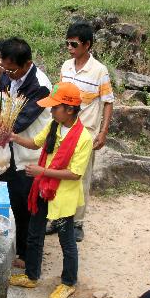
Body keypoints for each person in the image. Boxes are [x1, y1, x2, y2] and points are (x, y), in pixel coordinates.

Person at [7, 82, 93, 298]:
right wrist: (14, 138)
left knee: (66, 240)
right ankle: (32, 275)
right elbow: (36, 144)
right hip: (43, 190)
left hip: (63, 196)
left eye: (55, 107)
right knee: (34, 234)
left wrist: (41, 171)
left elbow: (75, 174)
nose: (51, 111)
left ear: (70, 110)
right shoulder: (54, 125)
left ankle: (68, 283)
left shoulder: (84, 138)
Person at [0, 38, 52, 269]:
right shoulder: (7, 73)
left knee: (29, 208)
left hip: (29, 156)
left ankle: (29, 257)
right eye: (3, 68)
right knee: (15, 201)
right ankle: (22, 248)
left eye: (12, 70)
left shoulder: (40, 86)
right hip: (9, 152)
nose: (7, 74)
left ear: (27, 64)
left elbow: (20, 122)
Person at [55, 22, 114, 242]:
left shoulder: (99, 71)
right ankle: (58, 218)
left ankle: (77, 222)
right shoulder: (66, 67)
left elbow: (108, 102)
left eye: (74, 44)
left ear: (87, 45)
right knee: (59, 173)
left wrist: (103, 132)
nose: (69, 47)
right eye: (67, 43)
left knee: (81, 178)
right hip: (64, 129)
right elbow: (59, 97)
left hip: (86, 133)